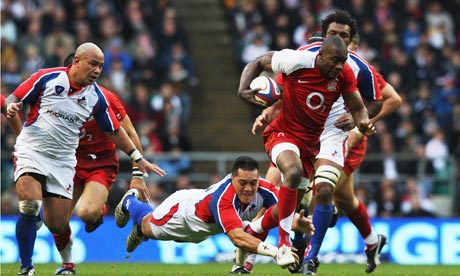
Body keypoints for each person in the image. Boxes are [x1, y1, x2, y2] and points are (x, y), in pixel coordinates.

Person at [249, 11, 402, 275]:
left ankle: (306, 255)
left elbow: (386, 99)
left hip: (337, 134)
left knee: (318, 191)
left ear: (352, 40)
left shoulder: (357, 66)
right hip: (300, 131)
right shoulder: (305, 56)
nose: (339, 40)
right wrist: (269, 112)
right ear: (324, 36)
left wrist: (358, 125)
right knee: (330, 197)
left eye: (344, 36)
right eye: (334, 35)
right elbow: (287, 92)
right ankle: (370, 241)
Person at [5, 42, 166, 276]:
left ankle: (84, 223)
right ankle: (27, 268)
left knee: (59, 223)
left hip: (71, 162)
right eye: (93, 64)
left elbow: (117, 130)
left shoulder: (100, 98)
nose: (98, 71)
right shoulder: (47, 78)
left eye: (101, 66)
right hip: (35, 151)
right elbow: (14, 97)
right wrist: (11, 107)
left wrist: (137, 161)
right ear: (76, 62)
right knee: (29, 204)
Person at [237, 35, 376, 268]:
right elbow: (259, 62)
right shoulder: (297, 60)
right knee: (292, 172)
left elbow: (359, 109)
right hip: (282, 133)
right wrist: (243, 90)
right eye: (335, 61)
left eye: (343, 61)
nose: (340, 66)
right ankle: (284, 245)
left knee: (287, 206)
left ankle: (252, 231)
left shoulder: (345, 74)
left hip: (311, 145)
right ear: (320, 56)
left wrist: (359, 122)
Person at [114, 156, 313, 271]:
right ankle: (130, 202)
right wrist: (275, 252)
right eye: (242, 183)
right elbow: (237, 238)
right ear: (233, 179)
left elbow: (280, 211)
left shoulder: (265, 190)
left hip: (206, 229)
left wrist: (296, 222)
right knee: (147, 226)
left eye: (253, 183)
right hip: (182, 215)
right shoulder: (223, 199)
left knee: (255, 224)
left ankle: (241, 268)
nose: (248, 189)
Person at [51, 53, 152, 275]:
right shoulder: (55, 95)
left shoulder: (106, 98)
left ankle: (100, 210)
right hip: (68, 163)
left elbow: (131, 133)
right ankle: (68, 265)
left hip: (100, 163)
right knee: (57, 222)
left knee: (87, 214)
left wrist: (138, 174)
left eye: (98, 67)